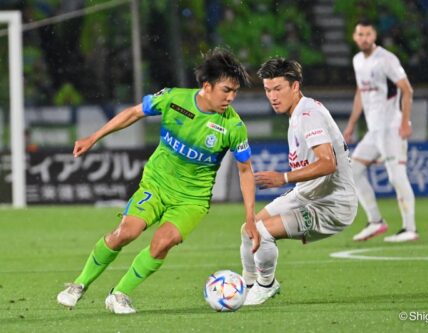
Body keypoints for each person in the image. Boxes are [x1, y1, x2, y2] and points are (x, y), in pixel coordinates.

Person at [56, 48, 260, 314]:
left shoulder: (234, 127)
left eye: (235, 92)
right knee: (124, 234)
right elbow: (133, 113)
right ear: (207, 86)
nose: (231, 98)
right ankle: (79, 284)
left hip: (192, 200)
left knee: (163, 242)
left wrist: (250, 217)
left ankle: (119, 294)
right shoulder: (174, 98)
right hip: (156, 184)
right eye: (226, 90)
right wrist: (93, 138)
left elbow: (245, 171)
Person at [240, 58, 358, 306]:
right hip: (307, 194)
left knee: (262, 231)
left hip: (332, 204)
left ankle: (266, 285)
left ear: (295, 87)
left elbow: (328, 163)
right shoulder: (297, 114)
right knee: (249, 229)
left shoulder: (308, 114)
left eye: (278, 89)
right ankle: (247, 285)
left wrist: (282, 178)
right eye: (267, 90)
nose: (272, 96)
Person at [343, 20, 418, 243]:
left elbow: (407, 89)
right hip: (374, 132)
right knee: (353, 170)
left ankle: (410, 228)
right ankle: (376, 221)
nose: (364, 38)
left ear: (374, 36)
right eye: (360, 34)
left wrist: (405, 122)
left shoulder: (386, 59)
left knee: (396, 177)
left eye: (368, 34)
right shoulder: (357, 61)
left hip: (392, 127)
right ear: (355, 37)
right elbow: (360, 93)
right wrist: (351, 125)